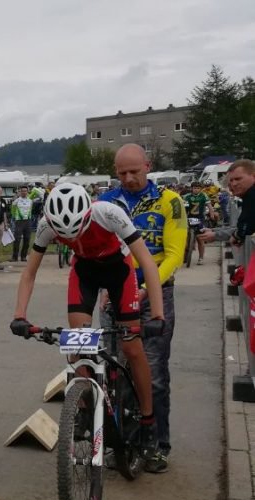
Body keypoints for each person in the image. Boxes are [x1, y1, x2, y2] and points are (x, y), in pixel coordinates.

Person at [11, 183, 167, 465]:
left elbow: (147, 262)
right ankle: (82, 407)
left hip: (119, 273)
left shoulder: (108, 213)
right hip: (84, 274)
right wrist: (19, 315)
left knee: (132, 348)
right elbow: (29, 273)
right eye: (63, 235)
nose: (69, 236)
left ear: (86, 215)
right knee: (77, 340)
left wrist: (157, 315)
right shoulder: (47, 225)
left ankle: (147, 421)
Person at [99, 144, 187, 473]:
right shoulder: (105, 202)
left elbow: (175, 254)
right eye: (122, 173)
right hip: (116, 294)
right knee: (116, 372)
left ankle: (156, 442)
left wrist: (146, 289)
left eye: (135, 171)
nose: (129, 178)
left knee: (154, 373)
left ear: (148, 166)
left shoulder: (170, 202)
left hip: (156, 294)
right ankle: (122, 441)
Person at [201, 160, 255, 245]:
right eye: (231, 181)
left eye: (238, 179)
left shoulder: (252, 194)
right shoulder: (248, 195)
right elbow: (243, 224)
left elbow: (246, 226)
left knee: (225, 212)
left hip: (217, 202)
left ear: (253, 176)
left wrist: (238, 236)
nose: (233, 184)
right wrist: (214, 231)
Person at [183, 182, 212, 265]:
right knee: (184, 238)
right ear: (191, 188)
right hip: (188, 218)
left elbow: (209, 206)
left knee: (200, 239)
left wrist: (212, 214)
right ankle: (185, 256)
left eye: (198, 188)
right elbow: (183, 209)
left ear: (201, 189)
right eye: (194, 188)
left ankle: (201, 258)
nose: (196, 189)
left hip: (200, 219)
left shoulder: (204, 195)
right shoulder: (187, 196)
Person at [10, 185, 33, 262]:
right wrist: (14, 219)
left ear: (27, 192)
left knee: (27, 239)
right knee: (17, 239)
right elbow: (12, 211)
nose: (24, 192)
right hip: (19, 221)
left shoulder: (30, 200)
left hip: (28, 221)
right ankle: (14, 257)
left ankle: (23, 256)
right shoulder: (16, 201)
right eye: (22, 191)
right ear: (20, 192)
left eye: (25, 191)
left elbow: (31, 210)